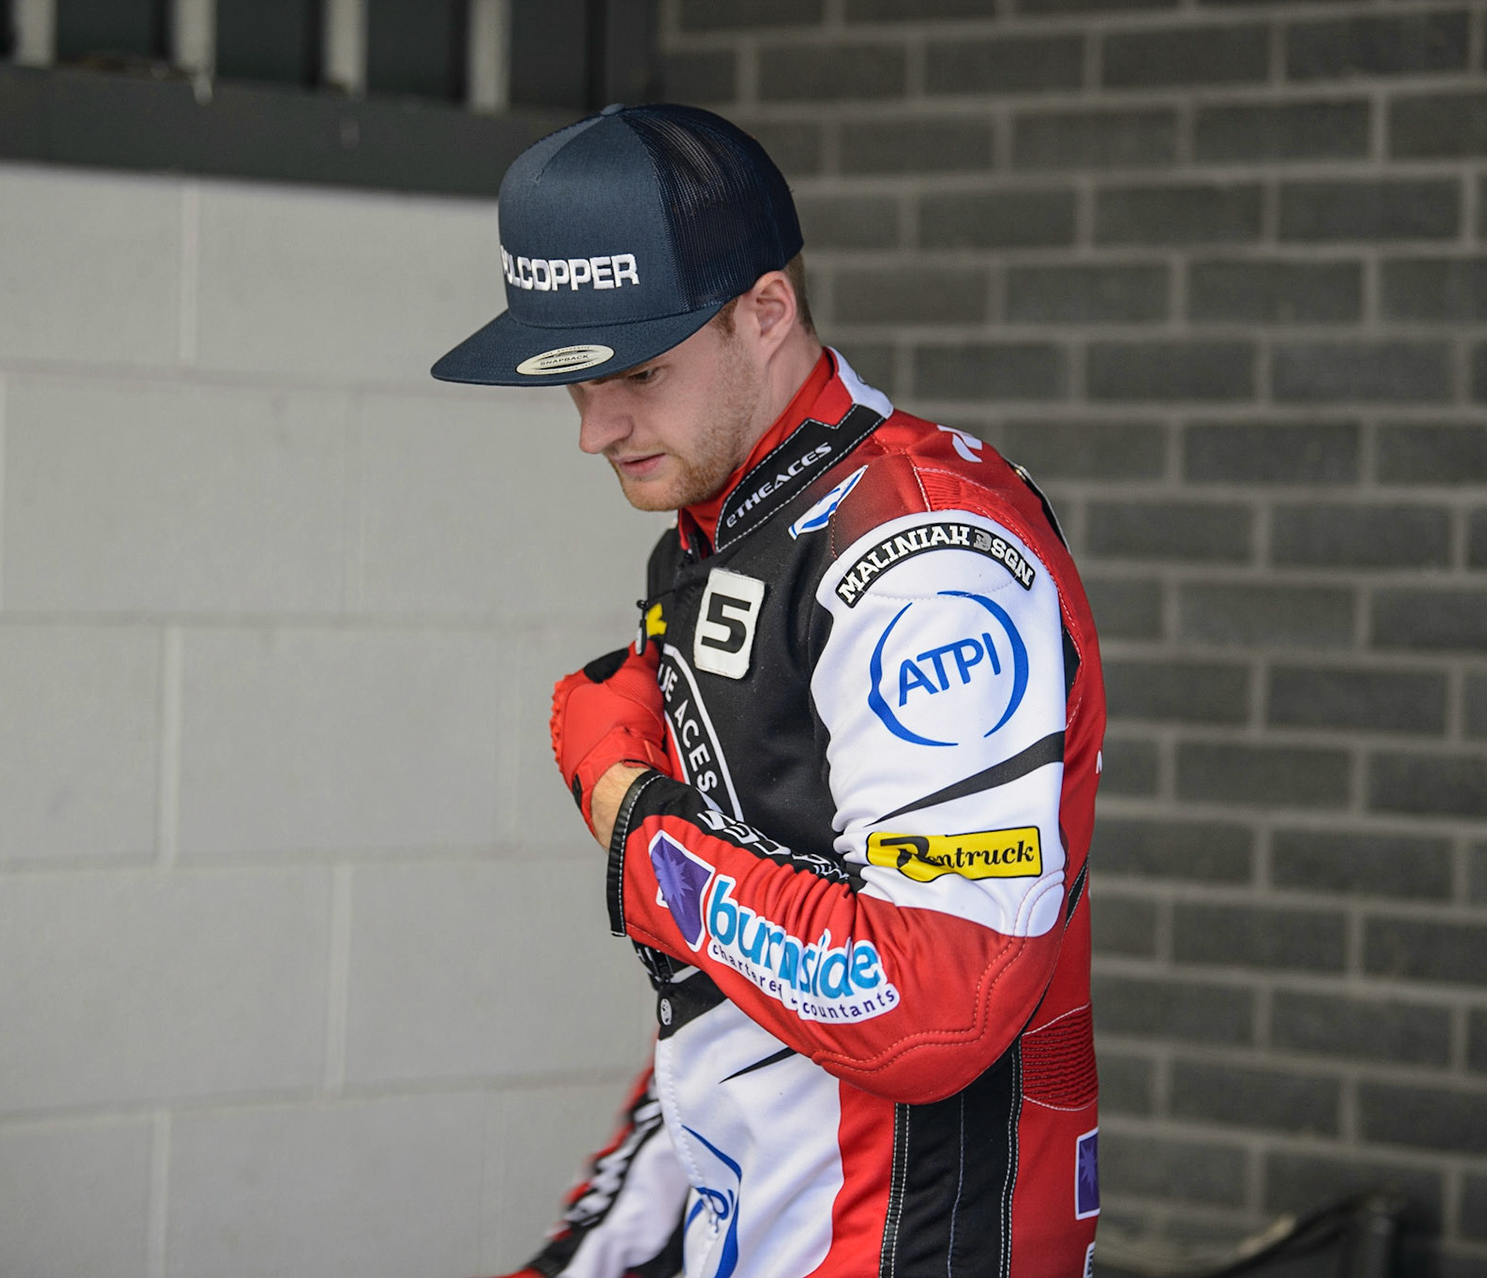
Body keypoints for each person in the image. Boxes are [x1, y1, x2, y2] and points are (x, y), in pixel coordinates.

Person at [433, 103, 1106, 1278]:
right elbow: (728, 996)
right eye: (577, 381)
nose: (596, 429)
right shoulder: (718, 531)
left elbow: (935, 998)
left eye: (640, 369)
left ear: (766, 311)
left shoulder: (922, 556)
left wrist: (635, 824)